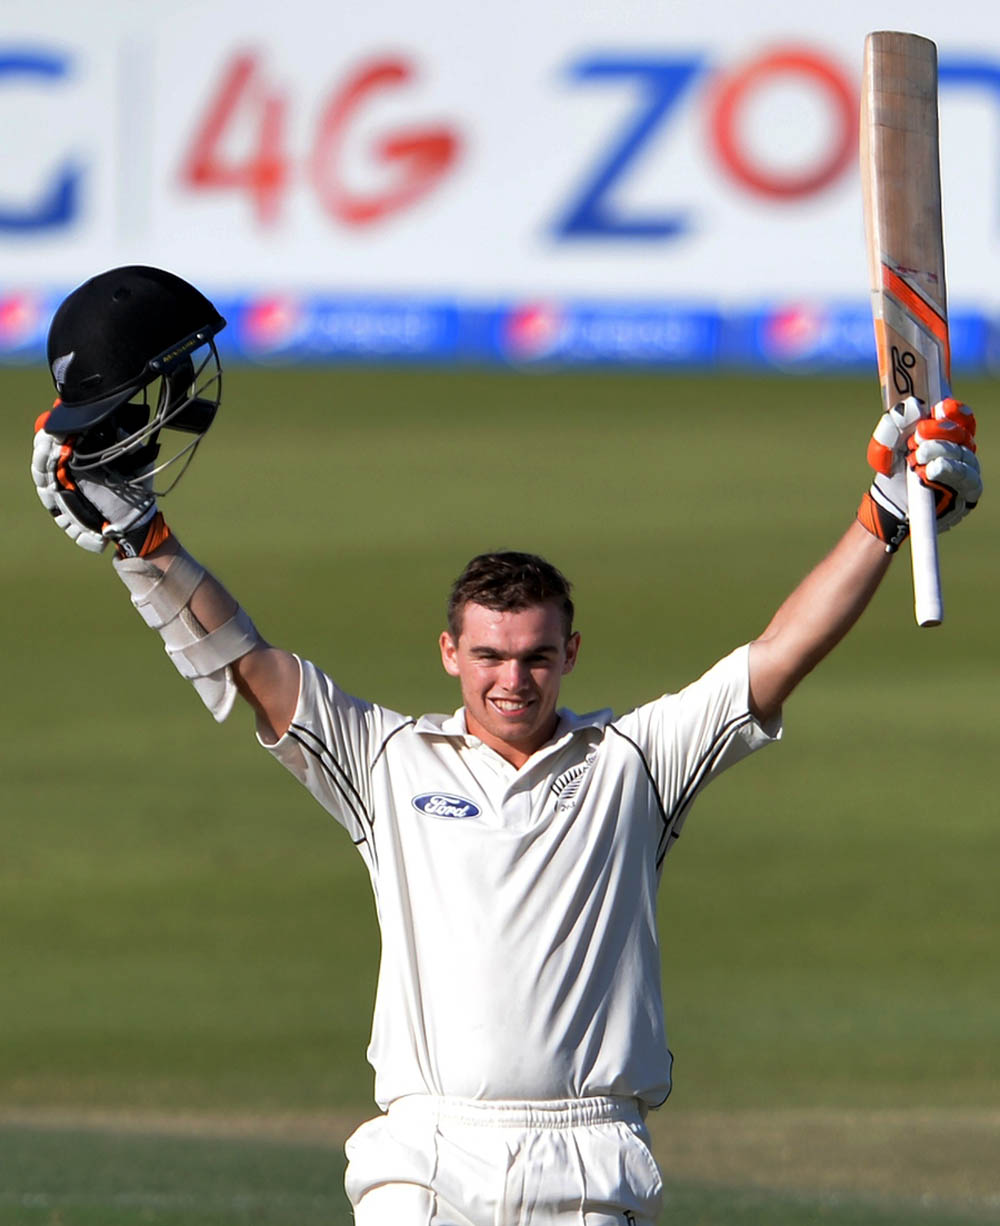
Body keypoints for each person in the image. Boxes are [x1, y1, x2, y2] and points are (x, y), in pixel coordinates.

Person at [31, 267, 982, 1226]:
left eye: (534, 657)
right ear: (451, 653)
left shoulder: (636, 764)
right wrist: (143, 540)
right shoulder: (386, 761)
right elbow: (247, 659)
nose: (511, 679)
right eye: (488, 655)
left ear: (569, 653)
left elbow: (778, 655)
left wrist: (883, 520)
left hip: (591, 1157)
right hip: (427, 1154)